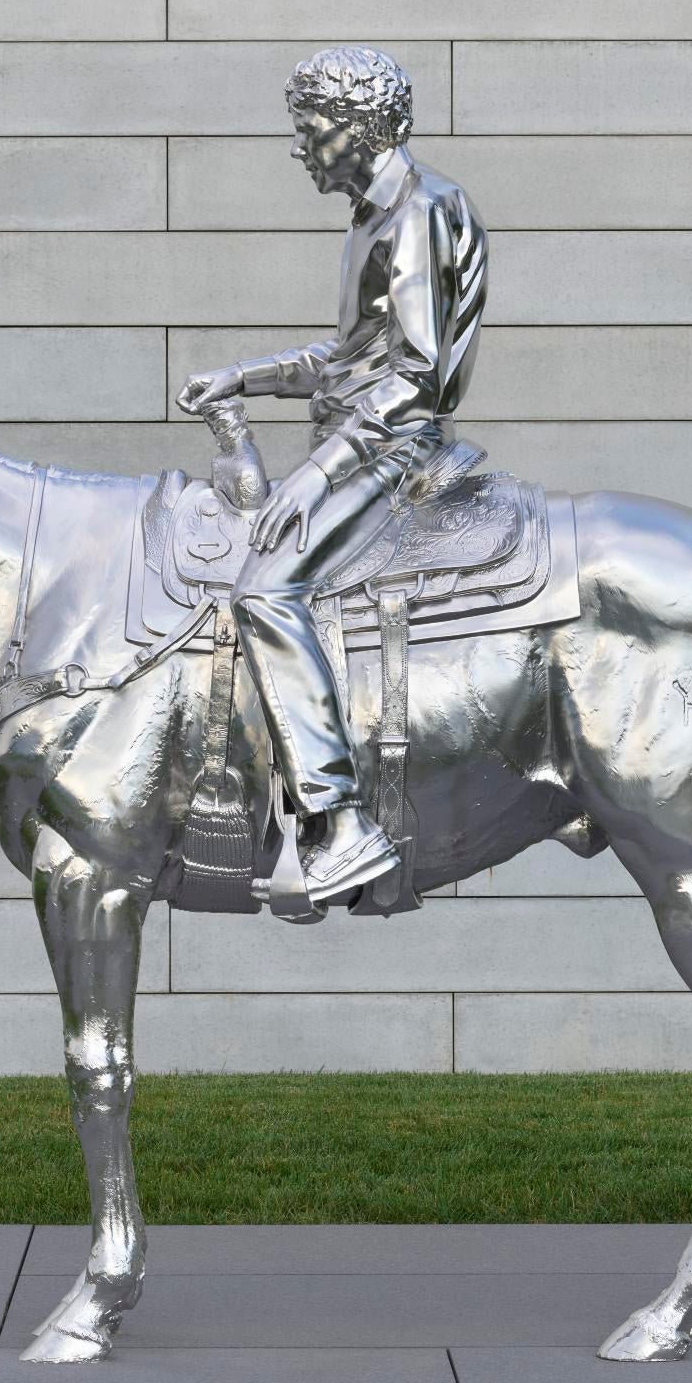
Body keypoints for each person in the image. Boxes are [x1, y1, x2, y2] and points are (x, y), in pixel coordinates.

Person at [176, 46, 488, 902]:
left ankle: (339, 822)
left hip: (394, 450)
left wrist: (316, 476)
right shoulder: (372, 217)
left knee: (265, 592)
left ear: (360, 127)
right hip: (365, 439)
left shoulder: (421, 211)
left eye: (309, 126)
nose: (299, 145)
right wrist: (245, 377)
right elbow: (350, 360)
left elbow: (413, 379)